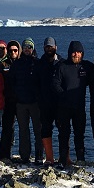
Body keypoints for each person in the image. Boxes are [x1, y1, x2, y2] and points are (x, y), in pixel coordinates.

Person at [52, 40, 94, 166]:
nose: (76, 55)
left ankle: (80, 158)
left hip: (79, 107)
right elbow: (55, 84)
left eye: (79, 52)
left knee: (79, 133)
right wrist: (64, 95)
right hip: (63, 107)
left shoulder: (86, 66)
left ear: (82, 53)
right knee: (64, 134)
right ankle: (63, 159)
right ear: (70, 53)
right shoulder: (62, 66)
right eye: (74, 52)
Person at [5, 37, 43, 164]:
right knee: (23, 130)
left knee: (38, 129)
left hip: (35, 103)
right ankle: (25, 156)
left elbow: (43, 83)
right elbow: (11, 82)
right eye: (25, 47)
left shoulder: (38, 63)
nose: (27, 49)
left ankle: (39, 156)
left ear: (33, 49)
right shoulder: (17, 64)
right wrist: (16, 95)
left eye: (30, 47)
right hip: (21, 102)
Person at [38, 37, 62, 165]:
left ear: (56, 47)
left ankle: (64, 157)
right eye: (47, 46)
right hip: (45, 103)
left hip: (59, 104)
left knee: (63, 130)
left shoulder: (62, 63)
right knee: (46, 130)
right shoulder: (39, 63)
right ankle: (49, 158)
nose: (49, 49)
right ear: (44, 48)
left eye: (51, 46)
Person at [0, 40, 19, 161]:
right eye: (10, 50)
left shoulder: (22, 64)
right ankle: (4, 155)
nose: (13, 52)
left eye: (15, 50)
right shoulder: (3, 65)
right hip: (8, 101)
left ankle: (25, 155)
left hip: (21, 101)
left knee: (24, 129)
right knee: (7, 128)